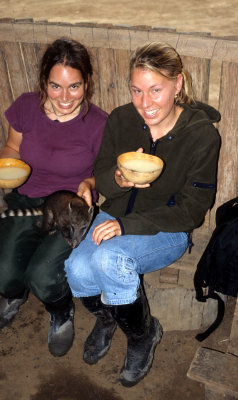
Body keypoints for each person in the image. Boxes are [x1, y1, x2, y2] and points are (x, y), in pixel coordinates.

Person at [65, 41, 221, 387]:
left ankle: (143, 336)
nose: (145, 103)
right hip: (116, 216)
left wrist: (126, 225)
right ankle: (108, 319)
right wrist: (118, 179)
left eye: (155, 90)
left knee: (110, 262)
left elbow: (192, 211)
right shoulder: (122, 118)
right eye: (137, 90)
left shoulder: (201, 136)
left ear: (177, 84)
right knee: (75, 268)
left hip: (168, 229)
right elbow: (102, 171)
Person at [0, 38, 108, 357]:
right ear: (43, 82)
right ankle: (14, 294)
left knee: (43, 275)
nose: (65, 97)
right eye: (56, 86)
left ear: (87, 82)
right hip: (28, 200)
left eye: (74, 87)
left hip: (73, 209)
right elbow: (11, 148)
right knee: (1, 273)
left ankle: (60, 311)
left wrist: (90, 182)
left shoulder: (97, 123)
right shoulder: (25, 106)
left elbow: (107, 173)